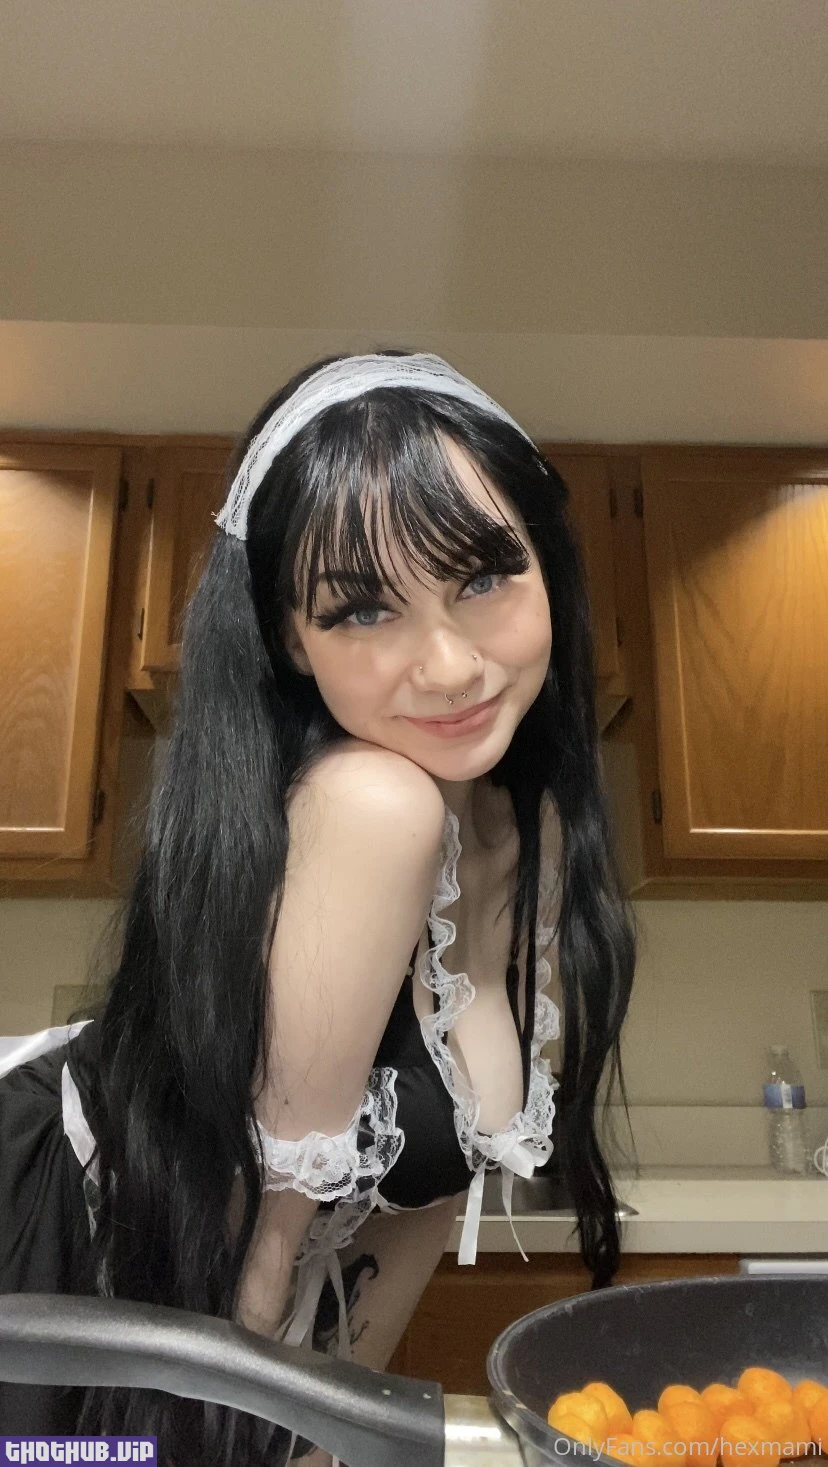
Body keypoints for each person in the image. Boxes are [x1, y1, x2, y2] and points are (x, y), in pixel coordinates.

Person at [0, 351, 636, 1464]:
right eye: (363, 608)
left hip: (203, 1320)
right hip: (77, 1258)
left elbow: (425, 1198)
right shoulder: (371, 806)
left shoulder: (525, 828)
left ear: (549, 563)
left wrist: (325, 1441)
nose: (449, 665)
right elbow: (256, 1245)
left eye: (485, 575)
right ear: (291, 639)